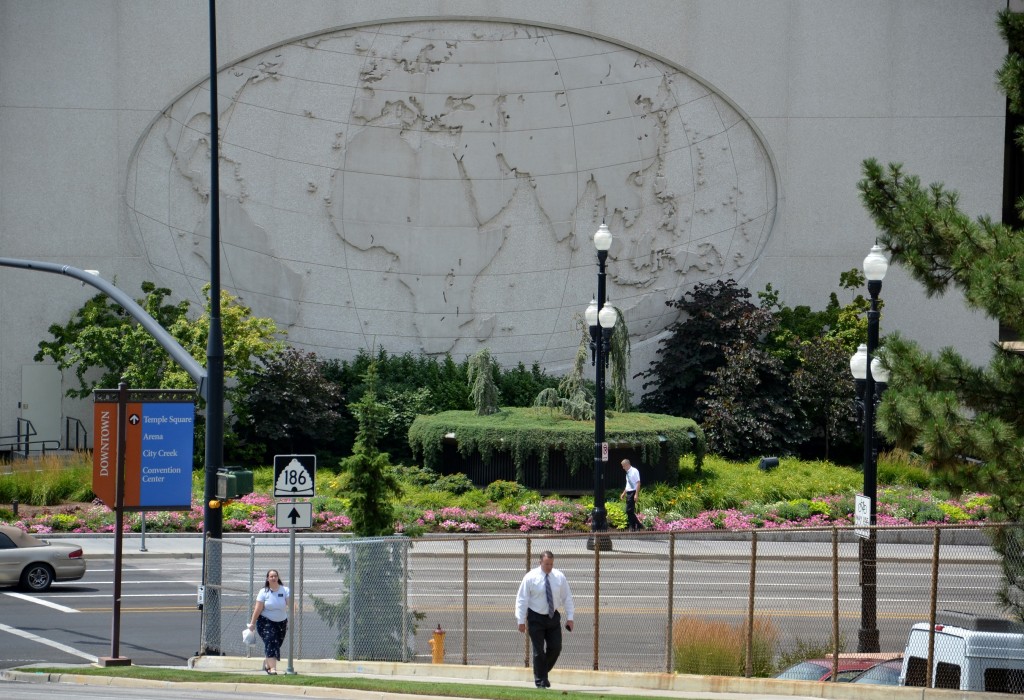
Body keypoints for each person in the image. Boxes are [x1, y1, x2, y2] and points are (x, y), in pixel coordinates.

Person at [515, 550, 574, 688]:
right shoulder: (530, 577)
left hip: (553, 617)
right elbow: (522, 599)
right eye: (547, 564)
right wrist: (521, 620)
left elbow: (567, 597)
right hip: (536, 617)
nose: (549, 567)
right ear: (540, 562)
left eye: (551, 564)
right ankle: (540, 681)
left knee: (556, 648)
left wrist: (570, 617)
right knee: (538, 651)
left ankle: (542, 673)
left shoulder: (559, 576)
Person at [248, 569, 290, 674]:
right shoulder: (264, 592)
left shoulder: (284, 590)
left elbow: (291, 604)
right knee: (271, 641)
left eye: (275, 576)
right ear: (267, 579)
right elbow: (258, 609)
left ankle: (268, 663)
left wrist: (293, 616)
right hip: (265, 621)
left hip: (281, 622)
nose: (273, 578)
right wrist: (252, 623)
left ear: (278, 577)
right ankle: (273, 669)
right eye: (271, 576)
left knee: (277, 643)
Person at [620, 458, 642, 531]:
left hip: (633, 492)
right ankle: (634, 526)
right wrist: (623, 493)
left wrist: (636, 494)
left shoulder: (634, 471)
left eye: (623, 466)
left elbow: (638, 483)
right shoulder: (628, 473)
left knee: (629, 510)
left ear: (627, 465)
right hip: (629, 492)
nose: (623, 468)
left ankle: (636, 525)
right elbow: (628, 485)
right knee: (630, 511)